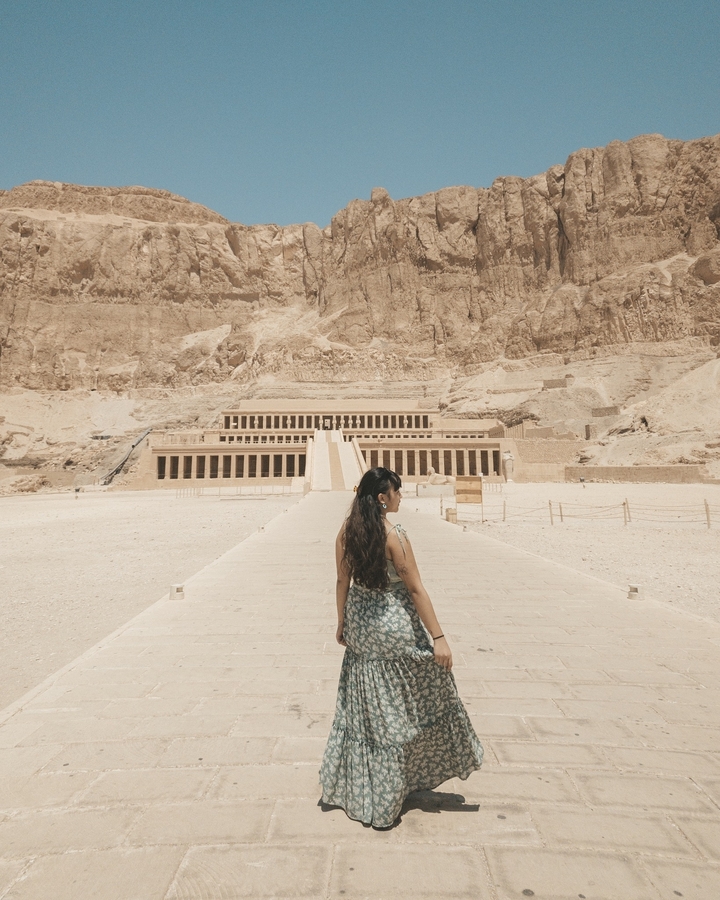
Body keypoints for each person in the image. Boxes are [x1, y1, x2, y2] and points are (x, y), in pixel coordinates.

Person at [319, 467, 483, 828]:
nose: (400, 496)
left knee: (369, 708)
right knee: (411, 703)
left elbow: (341, 580)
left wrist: (342, 622)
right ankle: (394, 787)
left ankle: (365, 786)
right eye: (397, 491)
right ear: (382, 498)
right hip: (393, 628)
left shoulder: (346, 533)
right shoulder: (395, 535)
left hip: (361, 627)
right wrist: (438, 638)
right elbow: (415, 589)